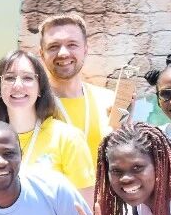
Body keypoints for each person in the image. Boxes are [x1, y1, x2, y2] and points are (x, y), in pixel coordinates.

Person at [0, 49, 94, 202]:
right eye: (9, 78)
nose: (18, 85)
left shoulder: (68, 138)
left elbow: (85, 208)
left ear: (40, 88)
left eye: (27, 78)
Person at [37, 13, 117, 166]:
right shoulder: (32, 104)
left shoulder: (108, 100)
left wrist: (124, 128)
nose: (63, 53)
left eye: (72, 44)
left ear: (85, 49)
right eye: (53, 46)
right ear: (42, 54)